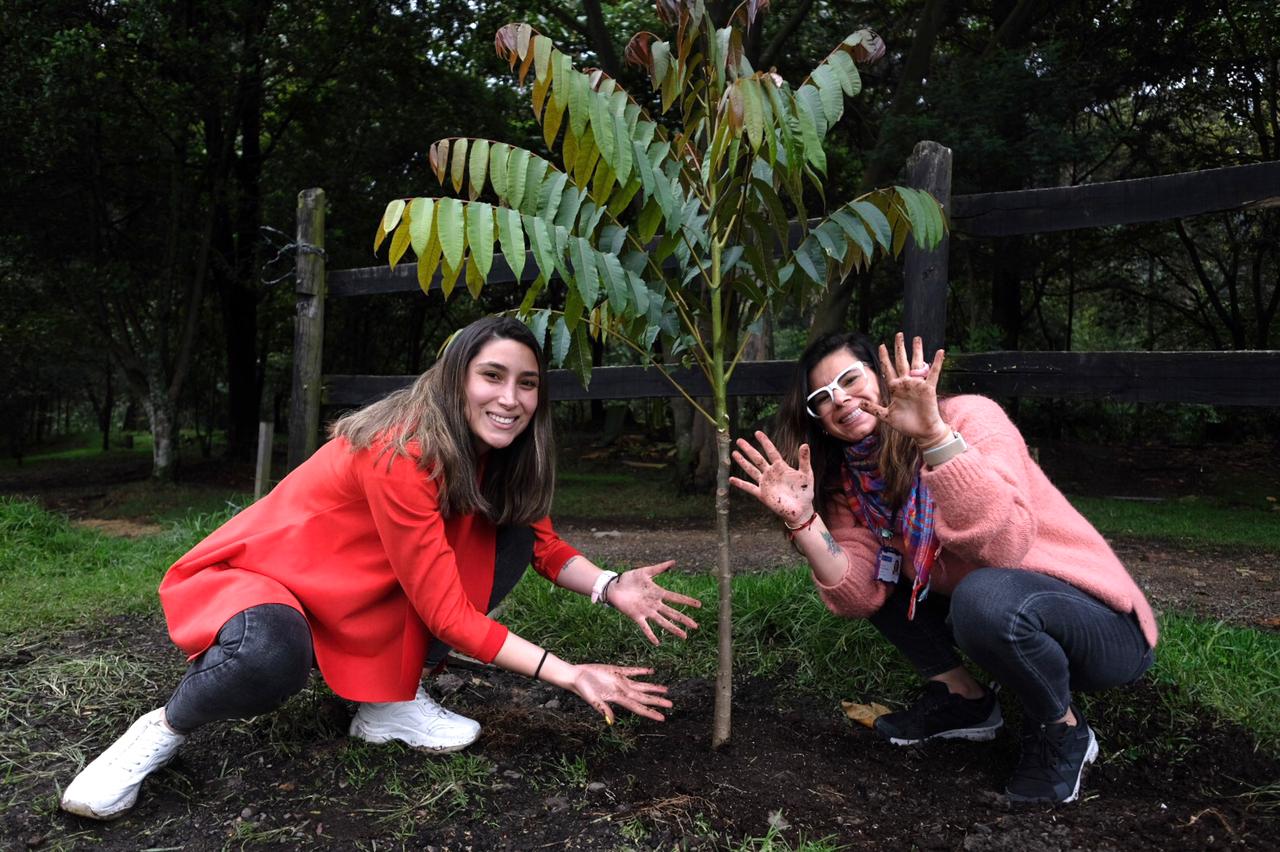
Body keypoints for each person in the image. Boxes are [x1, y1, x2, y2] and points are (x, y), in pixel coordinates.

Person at [61, 316, 701, 821]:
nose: (510, 399)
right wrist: (571, 675)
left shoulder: (499, 453)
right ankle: (161, 730)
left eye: (526, 383)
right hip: (271, 579)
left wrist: (611, 585)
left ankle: (386, 702)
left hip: (360, 585)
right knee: (268, 656)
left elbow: (539, 545)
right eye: (492, 376)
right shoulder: (406, 449)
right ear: (454, 379)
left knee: (503, 536)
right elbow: (448, 616)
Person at [730, 331, 1156, 805]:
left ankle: (1064, 731)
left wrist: (933, 437)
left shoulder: (969, 417)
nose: (840, 400)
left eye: (850, 379)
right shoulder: (850, 483)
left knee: (984, 597)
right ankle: (966, 702)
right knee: (886, 576)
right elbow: (858, 594)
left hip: (1105, 632)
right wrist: (805, 522)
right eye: (822, 399)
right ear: (820, 422)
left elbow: (1005, 545)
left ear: (882, 376)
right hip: (1006, 611)